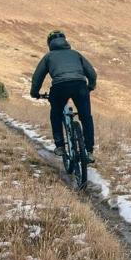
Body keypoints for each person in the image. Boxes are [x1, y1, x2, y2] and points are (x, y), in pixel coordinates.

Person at [30, 30, 98, 162]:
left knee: (55, 113)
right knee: (86, 117)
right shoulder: (76, 54)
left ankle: (60, 146)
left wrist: (35, 93)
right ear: (65, 41)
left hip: (60, 87)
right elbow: (92, 73)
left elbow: (37, 77)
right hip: (80, 85)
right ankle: (89, 151)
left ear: (50, 43)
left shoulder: (48, 57)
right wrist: (90, 86)